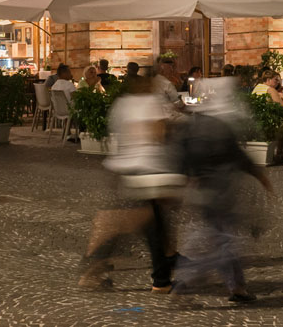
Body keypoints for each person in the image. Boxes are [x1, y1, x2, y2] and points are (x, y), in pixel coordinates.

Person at [78, 73, 179, 292]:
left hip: (126, 170)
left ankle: (162, 279)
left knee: (153, 226)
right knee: (136, 227)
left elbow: (118, 133)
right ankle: (92, 271)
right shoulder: (151, 103)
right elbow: (159, 134)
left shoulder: (121, 104)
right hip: (148, 172)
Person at [170, 105, 273, 303]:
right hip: (222, 192)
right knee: (224, 242)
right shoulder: (218, 126)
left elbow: (183, 165)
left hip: (204, 193)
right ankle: (187, 282)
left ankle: (237, 287)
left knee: (222, 239)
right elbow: (239, 157)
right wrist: (261, 178)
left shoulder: (189, 132)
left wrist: (181, 191)